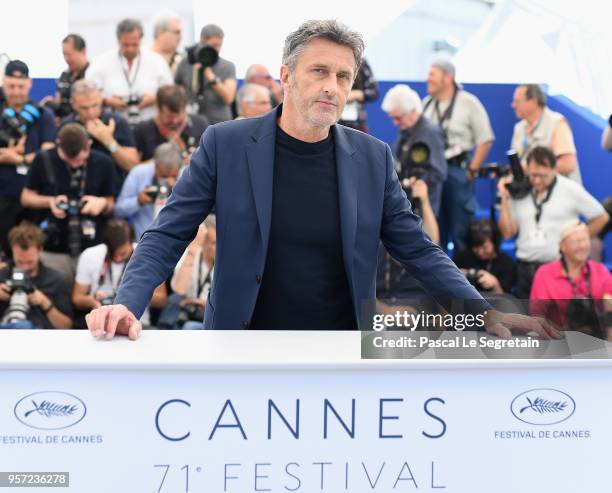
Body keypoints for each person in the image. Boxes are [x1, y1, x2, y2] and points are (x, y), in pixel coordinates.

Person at [85, 19, 560, 341]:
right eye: (319, 71)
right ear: (286, 75)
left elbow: (417, 248)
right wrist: (126, 303)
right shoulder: (224, 144)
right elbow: (167, 233)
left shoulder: (373, 158)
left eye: (343, 76)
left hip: (340, 352)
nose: (332, 86)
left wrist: (483, 312)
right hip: (241, 345)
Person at [498, 146, 609, 299]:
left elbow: (601, 217)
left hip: (557, 269)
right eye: (533, 175)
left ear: (554, 169)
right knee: (525, 320)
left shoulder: (571, 189)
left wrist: (575, 240)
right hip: (525, 268)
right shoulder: (521, 189)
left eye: (542, 176)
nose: (536, 181)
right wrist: (504, 198)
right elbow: (507, 233)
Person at [20, 123, 116, 278]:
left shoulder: (104, 163)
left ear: (89, 145)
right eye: (68, 159)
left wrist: (101, 203)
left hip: (93, 248)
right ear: (58, 144)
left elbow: (111, 203)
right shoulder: (43, 159)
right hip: (53, 249)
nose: (73, 164)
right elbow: (26, 197)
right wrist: (50, 201)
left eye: (78, 160)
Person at [423, 59, 494, 251]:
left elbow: (485, 139)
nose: (427, 79)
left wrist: (471, 171)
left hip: (458, 171)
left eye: (432, 74)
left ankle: (464, 278)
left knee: (462, 230)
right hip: (434, 174)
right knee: (435, 230)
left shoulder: (468, 102)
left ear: (448, 78)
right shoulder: (427, 104)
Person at [0, 60, 56, 254]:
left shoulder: (43, 115)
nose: (16, 91)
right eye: (11, 86)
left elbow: (47, 153)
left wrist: (20, 159)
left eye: (20, 86)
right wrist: (4, 156)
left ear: (29, 83)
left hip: (33, 197)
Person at [72, 219, 167, 328]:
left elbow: (161, 299)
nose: (118, 257)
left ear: (132, 242)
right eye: (113, 253)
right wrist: (92, 299)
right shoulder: (90, 255)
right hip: (100, 322)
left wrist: (135, 294)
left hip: (138, 322)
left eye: (122, 253)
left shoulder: (148, 256)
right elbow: (77, 298)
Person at [530, 220, 612, 338]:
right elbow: (537, 316)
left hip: (596, 338)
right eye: (576, 242)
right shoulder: (545, 273)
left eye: (585, 240)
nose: (582, 246)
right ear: (562, 246)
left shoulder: (600, 271)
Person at [86, 18, 173, 125]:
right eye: (126, 45)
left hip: (151, 126)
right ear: (118, 40)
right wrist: (106, 101)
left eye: (135, 45)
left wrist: (155, 99)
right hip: (113, 126)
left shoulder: (157, 61)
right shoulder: (101, 62)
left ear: (141, 40)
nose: (130, 49)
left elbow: (171, 93)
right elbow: (87, 94)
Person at [382, 83, 447, 216]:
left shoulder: (430, 133)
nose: (395, 123)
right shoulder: (407, 129)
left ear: (412, 111)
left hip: (424, 207)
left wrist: (412, 181)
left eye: (398, 118)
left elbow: (439, 172)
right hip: (407, 204)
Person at [0, 223, 72, 329]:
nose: (24, 265)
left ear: (40, 250)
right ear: (12, 250)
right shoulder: (1, 276)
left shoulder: (57, 280)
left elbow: (67, 327)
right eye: (19, 261)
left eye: (29, 261)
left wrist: (46, 304)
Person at [63, 79, 139, 177]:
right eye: (84, 108)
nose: (91, 113)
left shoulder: (116, 122)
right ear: (73, 104)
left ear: (101, 100)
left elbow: (132, 166)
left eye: (94, 105)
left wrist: (109, 141)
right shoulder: (67, 126)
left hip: (111, 187)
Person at [511, 84, 581, 183]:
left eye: (517, 101)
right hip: (532, 192)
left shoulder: (557, 123)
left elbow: (568, 165)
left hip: (559, 193)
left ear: (534, 101)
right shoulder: (519, 128)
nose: (513, 105)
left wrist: (534, 169)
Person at [158, 216, 216, 330]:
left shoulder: (225, 262)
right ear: (204, 242)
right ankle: (164, 332)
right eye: (213, 243)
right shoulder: (192, 254)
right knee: (174, 299)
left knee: (188, 326)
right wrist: (193, 248)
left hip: (210, 312)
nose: (218, 247)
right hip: (187, 312)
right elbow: (179, 290)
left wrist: (197, 302)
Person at [115, 143, 181, 239]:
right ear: (155, 165)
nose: (168, 182)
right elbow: (118, 210)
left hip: (174, 240)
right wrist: (138, 201)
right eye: (164, 176)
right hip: (141, 240)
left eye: (174, 177)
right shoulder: (138, 173)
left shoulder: (186, 176)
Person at [174, 24, 237, 124]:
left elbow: (229, 98)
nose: (216, 50)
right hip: (192, 123)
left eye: (219, 45)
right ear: (202, 41)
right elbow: (175, 89)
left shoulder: (227, 66)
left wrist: (211, 77)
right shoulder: (186, 63)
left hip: (219, 123)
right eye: (213, 46)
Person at [133, 85, 208, 162]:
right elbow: (134, 167)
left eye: (179, 115)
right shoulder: (142, 130)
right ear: (158, 109)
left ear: (185, 108)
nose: (175, 121)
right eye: (169, 117)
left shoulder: (199, 124)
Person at [453, 219, 516, 295]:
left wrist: (495, 284)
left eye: (485, 247)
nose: (480, 252)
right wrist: (457, 277)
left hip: (494, 305)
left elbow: (507, 301)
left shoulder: (506, 263)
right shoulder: (461, 257)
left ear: (495, 243)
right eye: (476, 247)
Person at [44, 34, 89, 119]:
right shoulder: (64, 75)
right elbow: (58, 100)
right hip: (64, 124)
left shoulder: (92, 74)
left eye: (69, 54)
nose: (66, 58)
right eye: (64, 54)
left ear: (83, 51)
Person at [338, 58, 378, 132]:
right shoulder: (331, 60)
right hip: (333, 122)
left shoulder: (362, 62)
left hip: (357, 124)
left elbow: (374, 93)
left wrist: (356, 95)